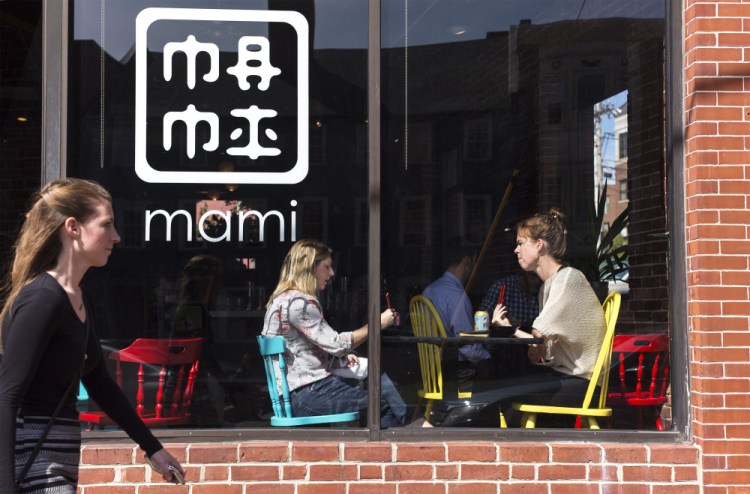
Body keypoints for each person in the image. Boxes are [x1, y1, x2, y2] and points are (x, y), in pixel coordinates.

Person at [0, 178, 185, 492]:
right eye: (107, 225)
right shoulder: (44, 299)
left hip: (53, 462)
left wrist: (152, 447)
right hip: (32, 465)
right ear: (73, 227)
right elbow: (7, 396)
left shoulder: (76, 297)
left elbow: (99, 382)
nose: (116, 236)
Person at [261, 238, 408, 428]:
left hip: (297, 394)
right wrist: (378, 323)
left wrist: (335, 361)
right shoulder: (300, 303)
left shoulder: (280, 300)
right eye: (327, 267)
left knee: (376, 394)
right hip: (308, 394)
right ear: (309, 267)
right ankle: (394, 447)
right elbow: (338, 345)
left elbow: (299, 351)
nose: (332, 273)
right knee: (384, 405)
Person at [492, 208, 606, 427]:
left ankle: (513, 450)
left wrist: (510, 329)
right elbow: (543, 347)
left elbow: (539, 335)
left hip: (584, 384)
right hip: (569, 377)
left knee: (505, 388)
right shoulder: (549, 286)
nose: (516, 250)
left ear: (539, 245)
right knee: (507, 381)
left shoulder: (568, 279)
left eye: (520, 243)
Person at [422, 238, 493, 395]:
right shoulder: (456, 295)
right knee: (498, 377)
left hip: (431, 371)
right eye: (474, 262)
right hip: (454, 373)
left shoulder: (429, 290)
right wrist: (489, 359)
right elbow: (468, 346)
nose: (475, 268)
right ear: (467, 261)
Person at [477, 271, 541, 377]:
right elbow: (479, 324)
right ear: (523, 272)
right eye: (533, 277)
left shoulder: (544, 290)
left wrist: (520, 325)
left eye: (540, 278)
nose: (537, 282)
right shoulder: (503, 287)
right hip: (502, 359)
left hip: (533, 360)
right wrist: (498, 324)